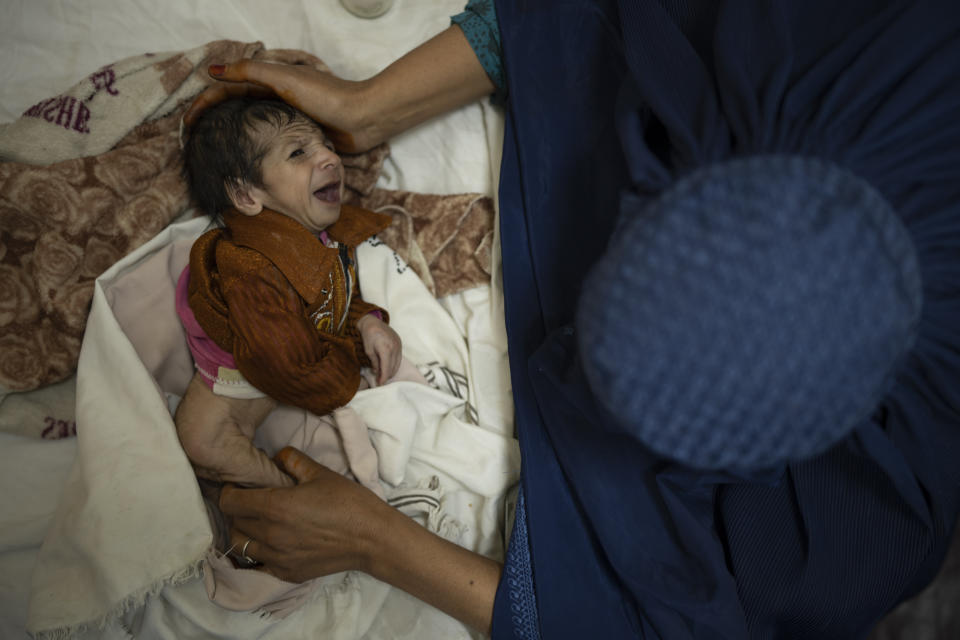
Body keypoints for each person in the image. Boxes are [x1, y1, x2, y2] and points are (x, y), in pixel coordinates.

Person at [184, 1, 960, 638]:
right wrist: (370, 106)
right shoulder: (847, 44)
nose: (558, 357)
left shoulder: (871, 526)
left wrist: (376, 542)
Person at [175, 96, 403, 489]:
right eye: (298, 152)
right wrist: (348, 382)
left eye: (326, 145)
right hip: (235, 385)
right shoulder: (251, 270)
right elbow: (284, 364)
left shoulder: (316, 236)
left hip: (281, 366)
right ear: (247, 196)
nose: (330, 158)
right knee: (203, 444)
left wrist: (366, 322)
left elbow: (328, 300)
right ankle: (285, 492)